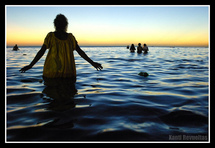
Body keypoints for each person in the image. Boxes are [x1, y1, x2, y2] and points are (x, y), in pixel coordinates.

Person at [20, 14, 103, 85]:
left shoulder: (51, 36)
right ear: (66, 25)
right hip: (68, 72)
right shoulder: (70, 38)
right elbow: (80, 52)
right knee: (68, 96)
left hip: (51, 72)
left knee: (52, 95)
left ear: (55, 24)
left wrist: (31, 65)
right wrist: (92, 63)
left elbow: (41, 51)